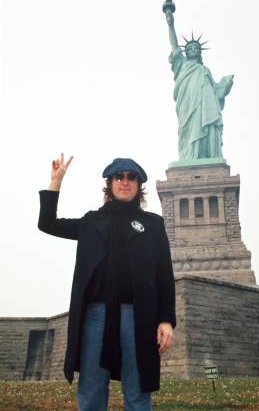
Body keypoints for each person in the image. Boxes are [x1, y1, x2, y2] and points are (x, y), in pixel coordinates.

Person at [38, 153, 176, 411]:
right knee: (91, 392)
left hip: (139, 317)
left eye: (131, 177)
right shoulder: (92, 221)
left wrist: (166, 320)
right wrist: (55, 183)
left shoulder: (153, 225)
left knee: (138, 393)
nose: (125, 182)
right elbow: (47, 223)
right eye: (119, 177)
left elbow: (164, 275)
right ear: (110, 183)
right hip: (95, 316)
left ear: (138, 185)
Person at [165, 8, 234, 160]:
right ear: (187, 52)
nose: (193, 49)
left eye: (196, 48)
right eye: (190, 48)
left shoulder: (205, 70)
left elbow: (216, 91)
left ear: (199, 52)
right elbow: (174, 45)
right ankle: (189, 156)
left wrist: (224, 86)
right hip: (188, 104)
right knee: (188, 130)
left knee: (206, 125)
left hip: (205, 106)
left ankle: (206, 154)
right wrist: (170, 24)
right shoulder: (182, 65)